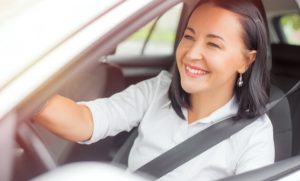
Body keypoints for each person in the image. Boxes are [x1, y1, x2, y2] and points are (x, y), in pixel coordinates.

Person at [33, 0, 274, 180]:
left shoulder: (254, 135)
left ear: (246, 61)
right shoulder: (158, 90)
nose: (191, 54)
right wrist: (28, 101)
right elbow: (85, 120)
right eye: (189, 37)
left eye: (213, 44)